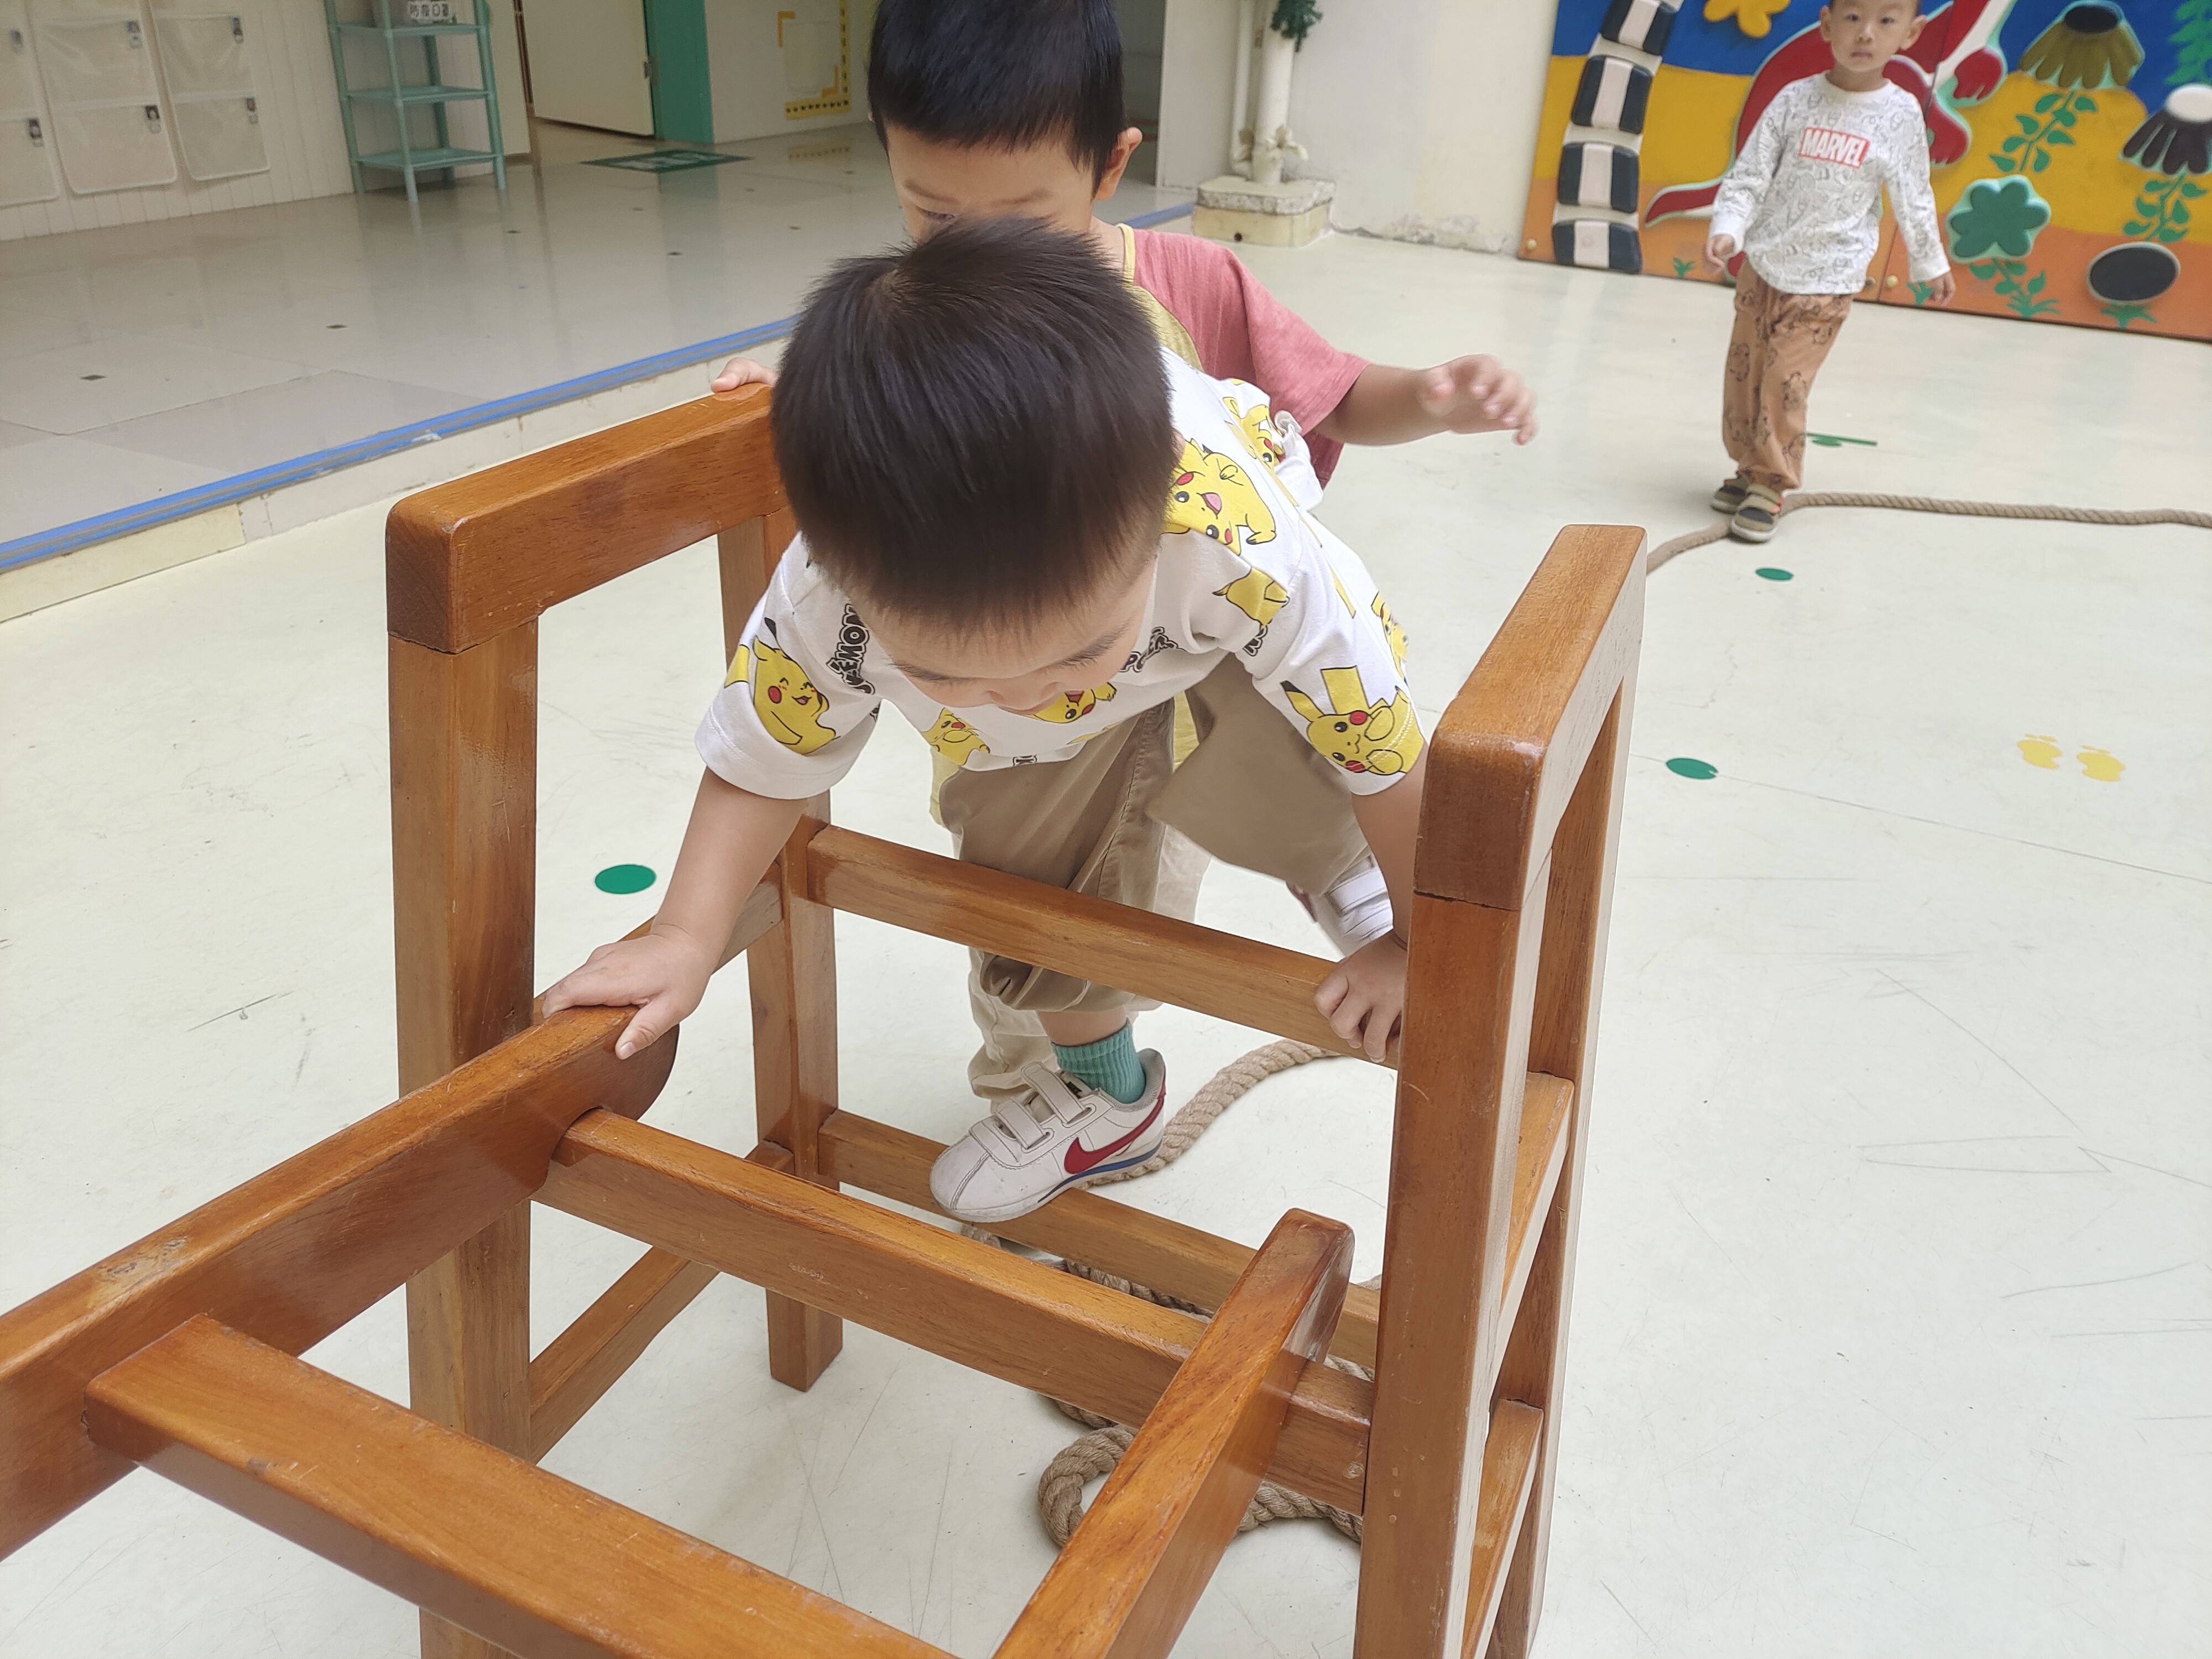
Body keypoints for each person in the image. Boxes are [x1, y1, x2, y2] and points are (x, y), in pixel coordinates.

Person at [711, 0, 1526, 1094]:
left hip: (1190, 639)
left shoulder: (1226, 507)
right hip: (1035, 715)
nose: (985, 258)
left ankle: (1331, 875)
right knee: (1032, 906)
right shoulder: (866, 539)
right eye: (938, 216)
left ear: (1108, 166)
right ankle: (1071, 1091)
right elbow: (766, 740)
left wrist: (1423, 397)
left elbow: (1367, 706)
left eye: (1024, 216)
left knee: (1250, 781)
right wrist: (823, 404)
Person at [544, 220, 1426, 1225]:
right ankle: (1109, 1093)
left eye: (1072, 654)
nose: (1027, 692)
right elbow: (762, 761)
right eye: (946, 671)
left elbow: (1388, 750)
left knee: (1317, 733)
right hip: (1036, 739)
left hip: (1212, 632)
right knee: (1024, 881)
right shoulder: (829, 601)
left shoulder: (1240, 545)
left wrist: (1414, 940)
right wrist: (682, 934)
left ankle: (1343, 868)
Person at [1703, 0, 1955, 544]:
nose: (1866, 34)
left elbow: (1913, 193)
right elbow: (1750, 174)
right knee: (1746, 377)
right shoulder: (1793, 99)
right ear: (1826, 23)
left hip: (1828, 279)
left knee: (1784, 383)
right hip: (1763, 269)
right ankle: (1749, 465)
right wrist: (1729, 227)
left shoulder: (1899, 114)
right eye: (1853, 17)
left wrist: (1930, 261)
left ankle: (1770, 482)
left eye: (1886, 21)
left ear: (1911, 33)